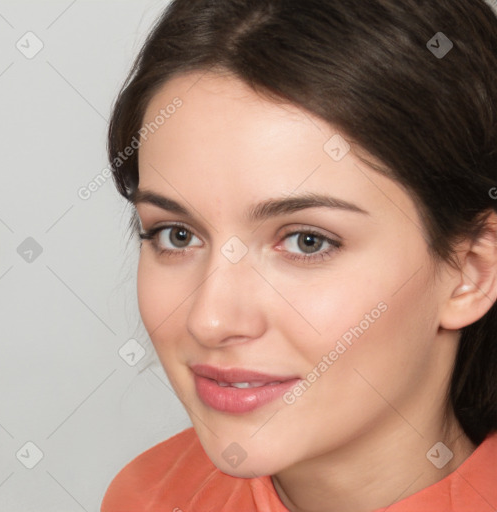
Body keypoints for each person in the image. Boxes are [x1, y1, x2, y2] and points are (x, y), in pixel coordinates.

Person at [101, 0, 497, 510]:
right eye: (177, 235)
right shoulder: (150, 495)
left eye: (307, 241)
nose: (210, 319)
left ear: (471, 272)